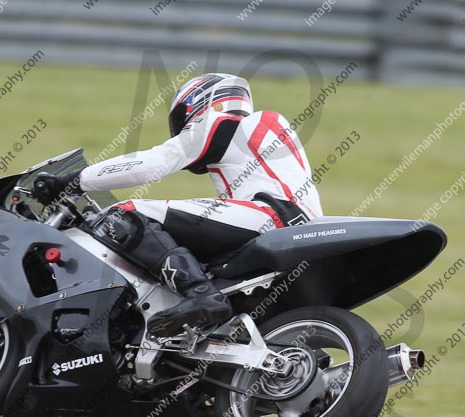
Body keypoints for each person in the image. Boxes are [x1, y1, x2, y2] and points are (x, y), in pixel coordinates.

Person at [33, 73, 323, 337]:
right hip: (290, 227)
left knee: (128, 212)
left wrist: (73, 180)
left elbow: (154, 163)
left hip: (273, 216)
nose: (183, 129)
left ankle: (201, 295)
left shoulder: (228, 122)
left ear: (202, 101)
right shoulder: (249, 147)